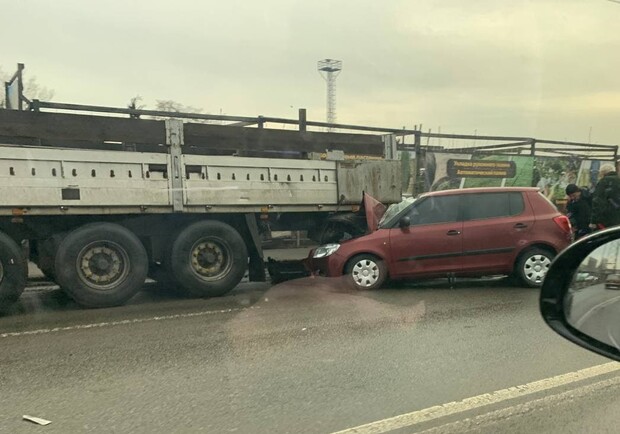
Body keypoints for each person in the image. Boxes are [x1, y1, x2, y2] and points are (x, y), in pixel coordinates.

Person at [590, 164, 620, 230]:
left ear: (603, 173)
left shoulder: (603, 182)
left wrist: (593, 221)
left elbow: (597, 201)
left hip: (606, 220)